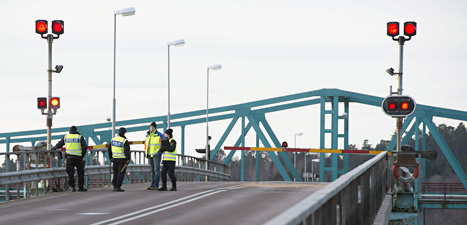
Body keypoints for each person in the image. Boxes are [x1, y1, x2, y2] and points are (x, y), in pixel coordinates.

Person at [52, 125, 88, 192]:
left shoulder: (66, 137)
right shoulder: (79, 137)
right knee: (80, 172)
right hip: (78, 157)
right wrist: (82, 155)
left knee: (70, 173)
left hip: (69, 158)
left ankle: (72, 187)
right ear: (76, 131)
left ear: (70, 131)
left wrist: (54, 147)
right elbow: (85, 147)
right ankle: (80, 187)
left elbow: (60, 144)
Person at [108, 127, 130, 192]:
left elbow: (109, 150)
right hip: (122, 159)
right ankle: (118, 187)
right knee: (121, 173)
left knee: (115, 172)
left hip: (114, 159)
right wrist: (128, 159)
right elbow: (126, 151)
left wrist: (110, 158)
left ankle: (114, 186)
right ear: (124, 133)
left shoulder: (113, 139)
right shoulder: (124, 141)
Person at [145, 122, 165, 190]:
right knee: (152, 170)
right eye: (150, 127)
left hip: (156, 155)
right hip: (150, 154)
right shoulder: (147, 135)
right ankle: (152, 184)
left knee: (156, 170)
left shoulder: (160, 135)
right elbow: (146, 145)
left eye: (153, 127)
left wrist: (159, 152)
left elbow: (163, 145)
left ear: (155, 128)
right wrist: (146, 153)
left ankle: (155, 185)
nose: (151, 128)